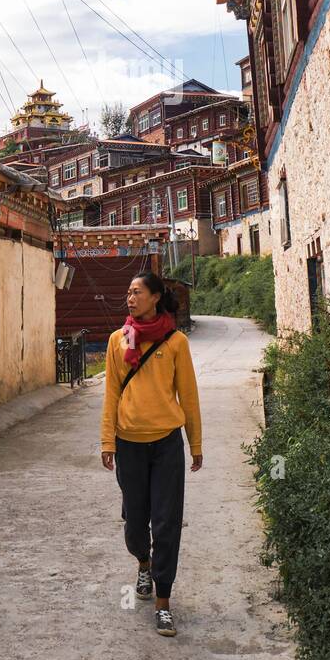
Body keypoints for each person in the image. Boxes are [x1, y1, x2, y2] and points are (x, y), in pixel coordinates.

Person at [100, 271, 203, 637]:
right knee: (136, 522)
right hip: (128, 444)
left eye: (137, 292)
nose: (130, 298)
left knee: (167, 522)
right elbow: (112, 393)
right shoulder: (117, 341)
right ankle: (142, 561)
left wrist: (196, 443)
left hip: (166, 444)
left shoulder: (175, 343)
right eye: (127, 292)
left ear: (156, 297)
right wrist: (107, 441)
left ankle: (163, 601)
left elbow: (188, 396)